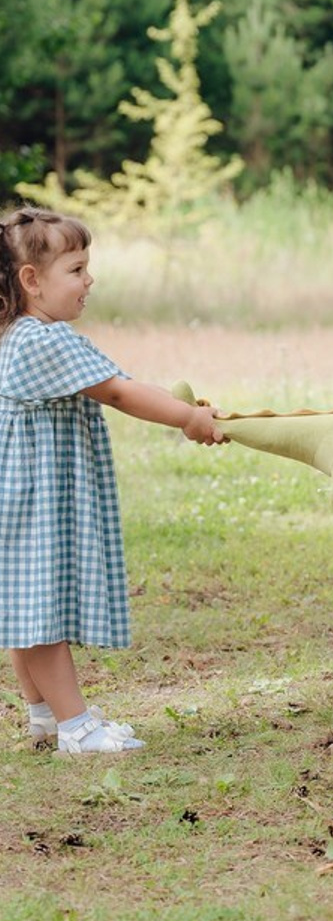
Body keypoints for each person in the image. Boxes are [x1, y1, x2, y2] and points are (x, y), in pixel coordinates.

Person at [0, 206, 225, 753]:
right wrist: (188, 417)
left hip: (23, 495)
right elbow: (120, 390)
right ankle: (77, 727)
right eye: (76, 270)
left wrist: (180, 407)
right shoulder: (45, 341)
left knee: (26, 607)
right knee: (39, 614)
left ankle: (45, 716)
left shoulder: (15, 334)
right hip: (36, 499)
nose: (89, 280)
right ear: (32, 280)